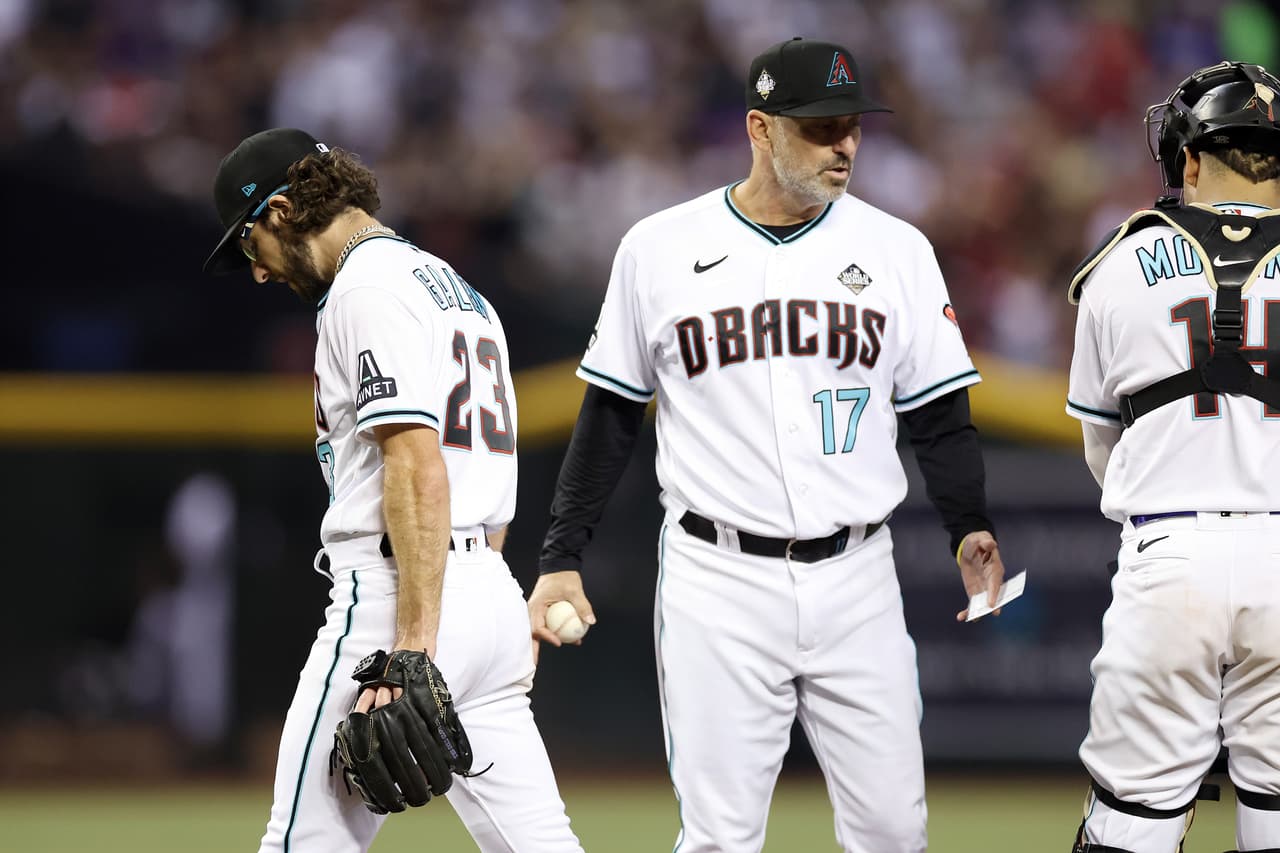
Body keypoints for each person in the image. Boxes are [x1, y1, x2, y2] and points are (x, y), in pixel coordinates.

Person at [527, 38, 1006, 852]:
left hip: (859, 576)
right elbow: (610, 415)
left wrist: (969, 524)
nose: (843, 145)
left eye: (852, 125)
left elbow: (939, 415)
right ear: (760, 127)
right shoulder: (659, 248)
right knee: (719, 836)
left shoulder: (899, 251)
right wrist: (560, 552)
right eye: (820, 127)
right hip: (719, 579)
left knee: (895, 830)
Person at [202, 128, 582, 853]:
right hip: (485, 592)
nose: (255, 271)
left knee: (301, 842)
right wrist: (485, 606)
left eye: (248, 243)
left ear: (281, 210)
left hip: (397, 598)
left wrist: (412, 645)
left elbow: (415, 463)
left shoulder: (364, 288)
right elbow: (485, 467)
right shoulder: (459, 290)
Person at [1065, 61, 1280, 853]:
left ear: (1188, 158)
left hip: (1170, 549)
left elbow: (1101, 446)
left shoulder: (1121, 261)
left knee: (1132, 825)